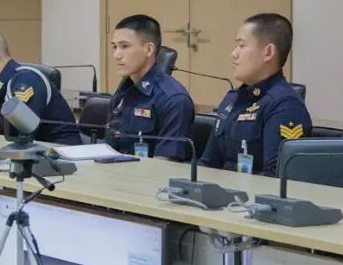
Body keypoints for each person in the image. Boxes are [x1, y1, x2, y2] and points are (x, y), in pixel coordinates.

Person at [198, 13, 313, 177]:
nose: (234, 53)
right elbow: (208, 163)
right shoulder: (233, 98)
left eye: (241, 45)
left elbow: (275, 178)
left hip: (250, 193)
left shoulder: (285, 106)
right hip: (220, 190)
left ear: (268, 53)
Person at [0, 28, 82, 146]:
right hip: (37, 154)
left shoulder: (26, 80)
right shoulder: (3, 86)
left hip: (61, 154)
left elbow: (20, 136)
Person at [105, 15, 195, 161]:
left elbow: (165, 165)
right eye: (114, 47)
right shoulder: (123, 90)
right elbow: (110, 146)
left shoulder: (174, 99)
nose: (116, 55)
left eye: (124, 46)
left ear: (148, 50)